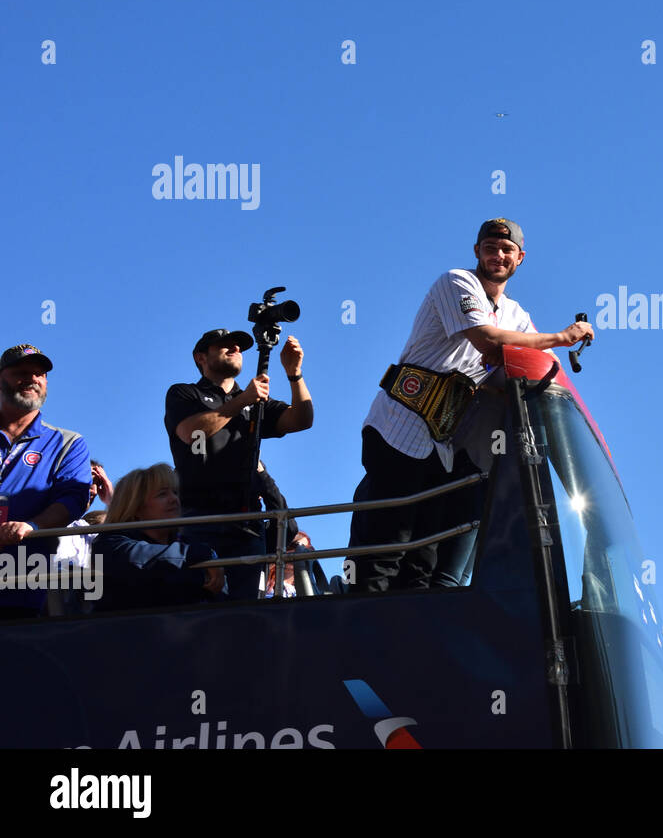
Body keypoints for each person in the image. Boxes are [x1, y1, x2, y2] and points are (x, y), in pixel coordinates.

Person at [347, 218, 594, 592]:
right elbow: (490, 342)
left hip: (442, 443)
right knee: (386, 551)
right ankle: (363, 640)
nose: (498, 255)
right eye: (490, 247)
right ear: (476, 250)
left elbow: (532, 369)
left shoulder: (516, 315)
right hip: (400, 429)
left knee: (421, 565)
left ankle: (409, 645)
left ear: (520, 258)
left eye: (507, 250)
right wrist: (561, 337)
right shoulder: (456, 282)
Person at [164, 328, 313, 599]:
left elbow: (301, 420)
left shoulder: (254, 401)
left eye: (239, 346)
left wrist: (294, 374)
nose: (235, 349)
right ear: (201, 357)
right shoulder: (185, 393)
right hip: (198, 519)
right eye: (224, 345)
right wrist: (242, 401)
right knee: (199, 601)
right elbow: (191, 433)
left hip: (246, 522)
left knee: (248, 609)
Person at [0, 344, 91, 619]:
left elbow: (73, 498)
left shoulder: (67, 442)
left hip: (22, 586)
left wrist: (32, 526)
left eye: (40, 374)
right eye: (22, 372)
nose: (32, 379)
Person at [92, 464, 225, 612]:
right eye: (162, 494)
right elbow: (142, 559)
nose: (174, 499)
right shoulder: (109, 544)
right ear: (135, 506)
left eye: (175, 492)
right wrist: (201, 556)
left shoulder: (190, 545)